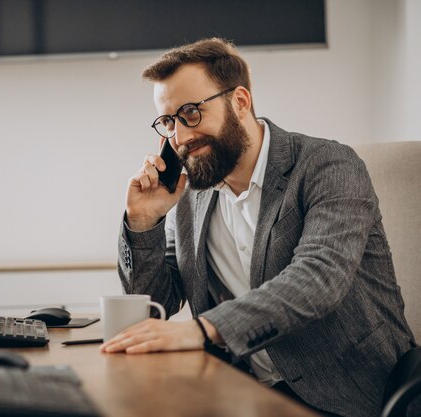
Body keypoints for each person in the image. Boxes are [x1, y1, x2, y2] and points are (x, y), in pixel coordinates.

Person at [100, 37, 416, 417]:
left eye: (190, 113)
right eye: (168, 122)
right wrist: (143, 222)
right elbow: (156, 304)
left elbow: (318, 279)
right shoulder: (191, 192)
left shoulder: (328, 165)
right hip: (239, 392)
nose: (179, 137)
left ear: (240, 102)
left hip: (346, 394)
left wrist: (201, 330)